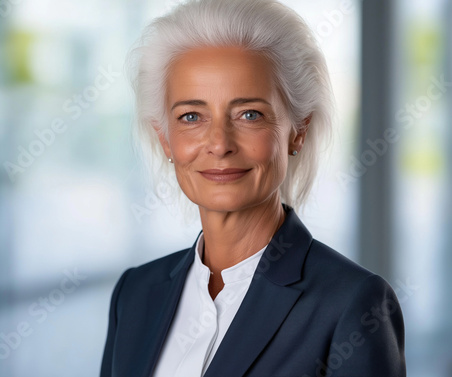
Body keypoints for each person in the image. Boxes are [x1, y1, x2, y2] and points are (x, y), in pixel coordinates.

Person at [100, 0, 406, 376]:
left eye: (249, 114)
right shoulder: (134, 293)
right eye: (191, 116)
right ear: (165, 139)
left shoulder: (351, 304)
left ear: (298, 131)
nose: (219, 143)